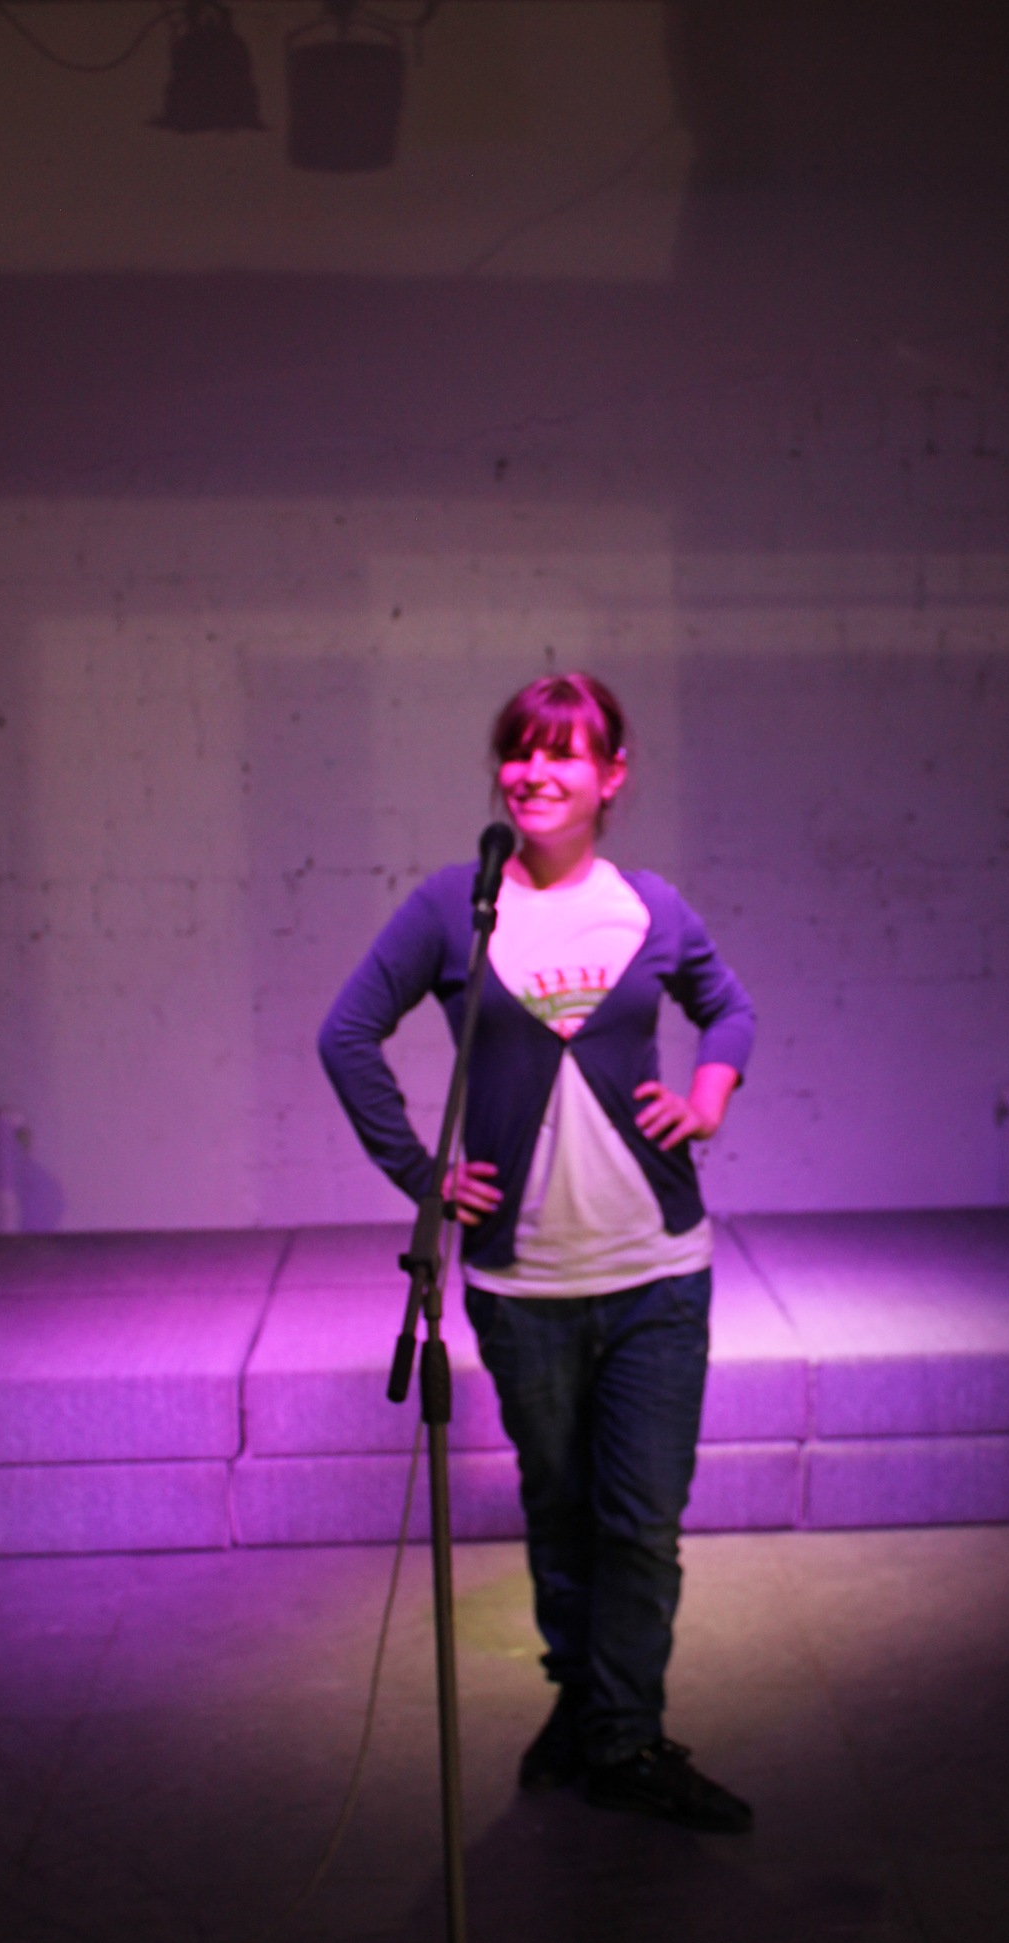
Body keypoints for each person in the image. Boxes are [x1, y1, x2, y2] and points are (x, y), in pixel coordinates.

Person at [318, 673, 755, 1833]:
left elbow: (730, 1008)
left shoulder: (650, 906)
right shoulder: (453, 906)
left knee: (640, 1519)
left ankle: (628, 1734)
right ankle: (583, 1697)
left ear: (612, 775)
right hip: (522, 1286)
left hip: (658, 1271)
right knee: (559, 1508)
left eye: (564, 753)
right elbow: (346, 1033)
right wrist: (422, 1171)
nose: (535, 772)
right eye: (520, 751)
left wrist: (708, 1096)